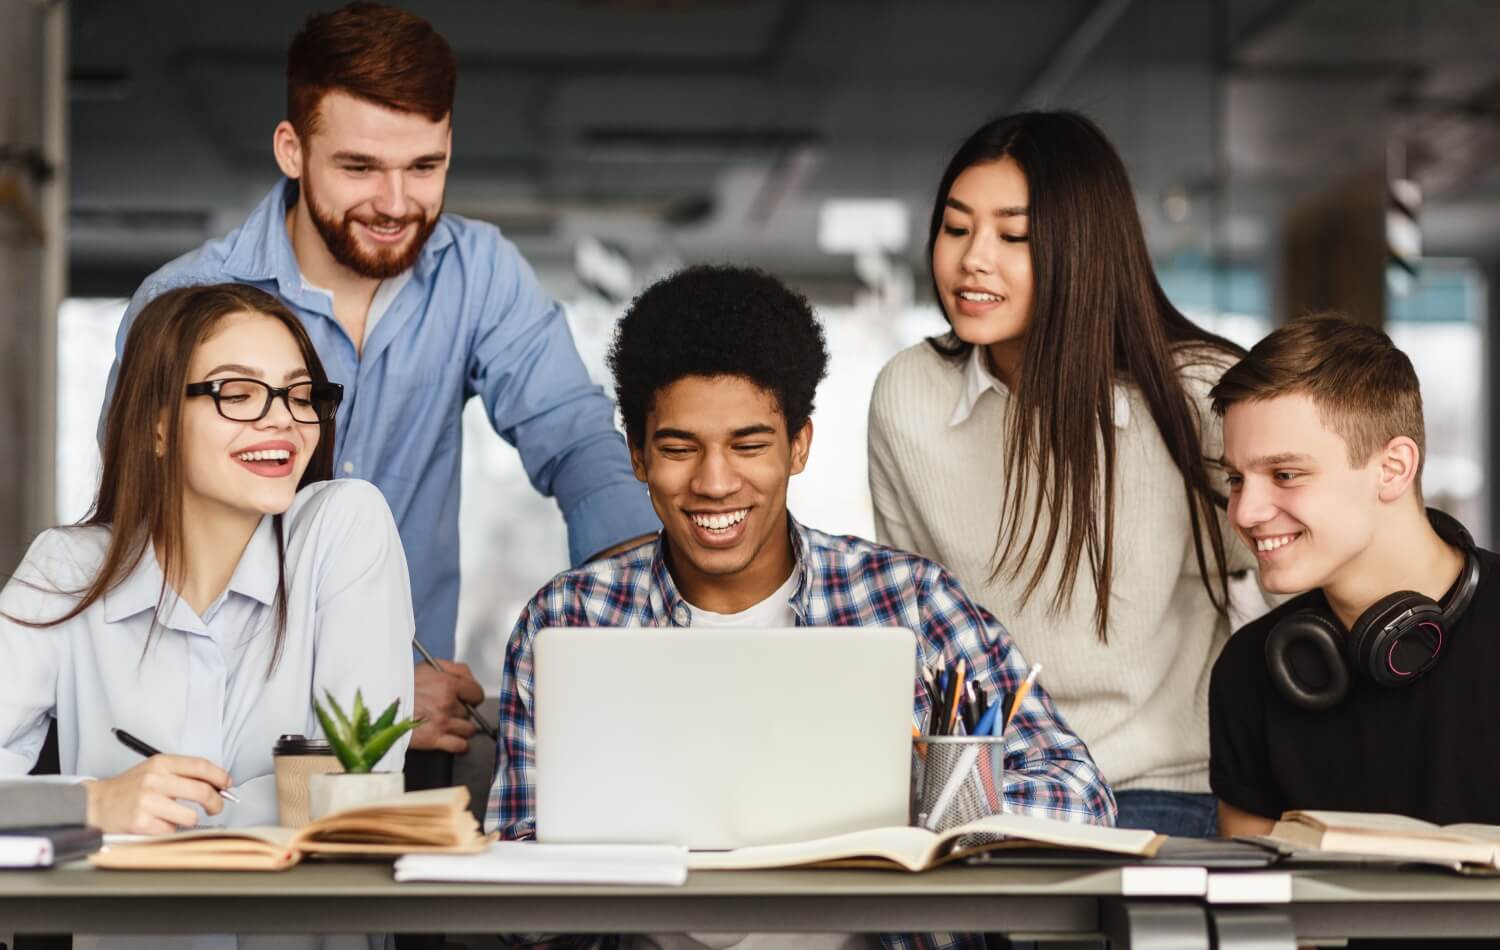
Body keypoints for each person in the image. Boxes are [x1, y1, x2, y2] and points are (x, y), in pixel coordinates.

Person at [96, 1, 659, 767]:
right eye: (360, 167)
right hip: (214, 740)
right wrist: (369, 696)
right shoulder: (186, 302)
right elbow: (138, 551)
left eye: (425, 167)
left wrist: (651, 624)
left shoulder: (480, 272)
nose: (397, 205)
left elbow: (578, 443)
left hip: (418, 738)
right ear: (292, 150)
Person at [487, 264, 1115, 950]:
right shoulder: (570, 621)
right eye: (678, 448)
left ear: (799, 446)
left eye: (749, 445)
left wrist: (928, 811)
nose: (715, 482)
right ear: (637, 454)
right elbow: (520, 898)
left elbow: (1080, 796)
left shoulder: (908, 602)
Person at [867, 110, 1252, 837]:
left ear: (1083, 248)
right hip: (981, 792)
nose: (973, 259)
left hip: (1155, 787)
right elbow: (917, 632)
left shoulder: (1199, 392)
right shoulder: (907, 394)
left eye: (1014, 236)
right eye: (956, 228)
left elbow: (1283, 579)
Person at [2, 282, 413, 949]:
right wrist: (93, 805)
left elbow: (353, 785)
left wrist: (166, 818)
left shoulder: (343, 526)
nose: (282, 419)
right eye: (238, 393)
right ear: (158, 423)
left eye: (300, 394)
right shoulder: (66, 571)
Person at [1210, 315, 1499, 838]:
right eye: (1236, 478)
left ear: (1392, 469)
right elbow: (1245, 902)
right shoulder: (1250, 670)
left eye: (1285, 475)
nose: (1246, 512)